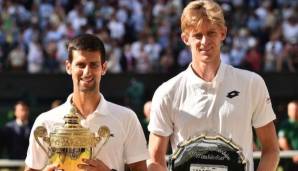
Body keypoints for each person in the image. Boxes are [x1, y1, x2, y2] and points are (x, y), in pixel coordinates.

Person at [147, 1, 279, 171]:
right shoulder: (167, 92)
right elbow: (154, 160)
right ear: (185, 38)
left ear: (223, 33)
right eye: (197, 35)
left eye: (211, 33)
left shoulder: (252, 83)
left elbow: (271, 150)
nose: (205, 41)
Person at [25, 34, 149, 171]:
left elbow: (140, 168)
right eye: (81, 65)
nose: (87, 72)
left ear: (104, 68)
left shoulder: (127, 118)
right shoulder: (45, 121)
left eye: (94, 65)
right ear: (68, 67)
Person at [278, 100, 298, 171]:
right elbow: (281, 141)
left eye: (296, 109)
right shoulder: (285, 125)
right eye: (292, 110)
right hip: (290, 161)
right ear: (288, 111)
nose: (294, 111)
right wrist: (293, 154)